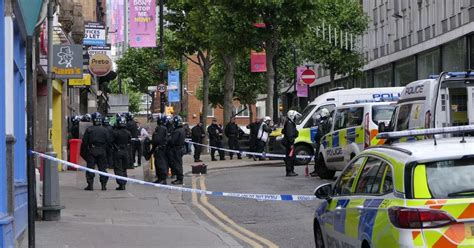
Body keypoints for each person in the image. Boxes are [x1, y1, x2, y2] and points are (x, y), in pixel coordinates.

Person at [80, 112, 110, 191]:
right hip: (102, 151)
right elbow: (108, 142)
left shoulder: (89, 129)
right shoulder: (105, 130)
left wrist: (84, 152)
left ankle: (90, 185)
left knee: (90, 168)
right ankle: (103, 185)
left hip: (92, 150)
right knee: (102, 168)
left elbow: (85, 142)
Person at [310, 108, 332, 177]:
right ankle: (317, 170)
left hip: (321, 141)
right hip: (325, 140)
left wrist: (316, 139)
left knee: (318, 156)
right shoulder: (329, 121)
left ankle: (317, 170)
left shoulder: (322, 123)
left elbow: (319, 133)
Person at [112, 116, 132, 190]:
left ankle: (121, 183)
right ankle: (123, 183)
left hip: (117, 151)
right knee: (124, 168)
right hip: (125, 151)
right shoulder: (128, 132)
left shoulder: (115, 132)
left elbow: (112, 142)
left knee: (118, 168)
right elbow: (130, 142)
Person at [149, 114, 169, 184]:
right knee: (158, 163)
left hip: (160, 149)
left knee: (160, 163)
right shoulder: (162, 128)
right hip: (160, 149)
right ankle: (160, 178)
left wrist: (151, 142)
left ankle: (162, 178)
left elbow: (157, 139)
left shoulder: (161, 128)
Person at [282, 110, 301, 177]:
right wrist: (291, 144)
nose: (296, 118)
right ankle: (289, 171)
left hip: (290, 142)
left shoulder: (290, 123)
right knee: (290, 158)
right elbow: (290, 134)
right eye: (295, 117)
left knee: (292, 157)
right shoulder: (289, 124)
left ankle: (291, 171)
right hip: (290, 143)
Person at [169, 115, 186, 185]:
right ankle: (179, 178)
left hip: (177, 149)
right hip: (180, 148)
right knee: (178, 163)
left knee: (177, 164)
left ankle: (179, 179)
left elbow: (172, 141)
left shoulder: (177, 131)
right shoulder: (182, 130)